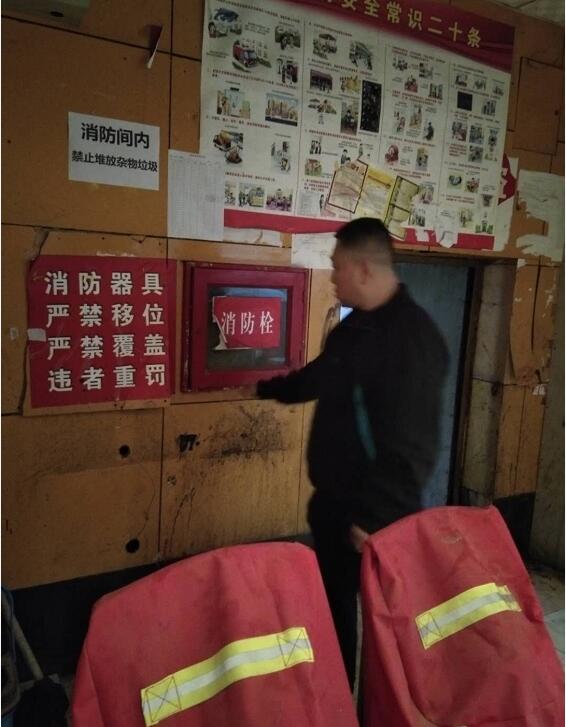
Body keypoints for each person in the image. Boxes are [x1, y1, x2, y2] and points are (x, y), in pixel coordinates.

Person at [256, 217, 449, 689]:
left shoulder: (412, 340)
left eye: (338, 266)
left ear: (363, 269)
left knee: (387, 627)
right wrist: (268, 388)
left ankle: (387, 707)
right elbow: (320, 378)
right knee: (335, 610)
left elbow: (413, 444)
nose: (333, 275)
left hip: (377, 516)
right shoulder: (354, 329)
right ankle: (340, 700)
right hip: (335, 504)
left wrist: (373, 517)